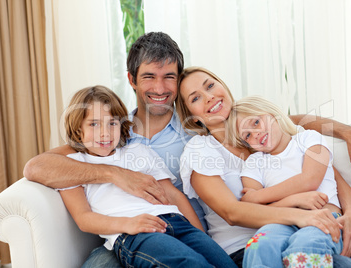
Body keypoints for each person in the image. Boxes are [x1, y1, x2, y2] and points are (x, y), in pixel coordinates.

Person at [23, 32, 351, 267]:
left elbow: (298, 131)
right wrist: (115, 172)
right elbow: (39, 167)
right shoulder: (115, 135)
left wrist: (349, 139)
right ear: (132, 79)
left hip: (237, 229)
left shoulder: (243, 128)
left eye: (169, 76)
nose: (160, 87)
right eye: (149, 77)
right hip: (174, 232)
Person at [176, 66, 351, 268]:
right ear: (193, 118)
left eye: (211, 85)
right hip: (255, 245)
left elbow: (330, 175)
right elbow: (233, 212)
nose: (209, 97)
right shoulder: (201, 151)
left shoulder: (267, 130)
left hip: (320, 224)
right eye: (196, 98)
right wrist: (299, 213)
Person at [59, 85, 237, 267]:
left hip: (177, 222)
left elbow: (173, 195)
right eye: (94, 124)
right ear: (78, 129)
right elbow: (84, 219)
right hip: (137, 233)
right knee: (191, 263)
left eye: (112, 123)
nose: (105, 133)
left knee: (224, 263)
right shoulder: (73, 165)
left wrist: (199, 234)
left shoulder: (138, 150)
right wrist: (128, 224)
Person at [227, 95, 343, 267]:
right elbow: (254, 211)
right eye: (248, 135)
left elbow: (309, 180)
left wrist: (258, 196)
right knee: (258, 246)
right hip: (280, 223)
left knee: (305, 246)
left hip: (323, 216)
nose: (256, 134)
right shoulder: (254, 162)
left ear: (272, 113)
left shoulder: (309, 138)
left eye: (256, 122)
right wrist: (294, 200)